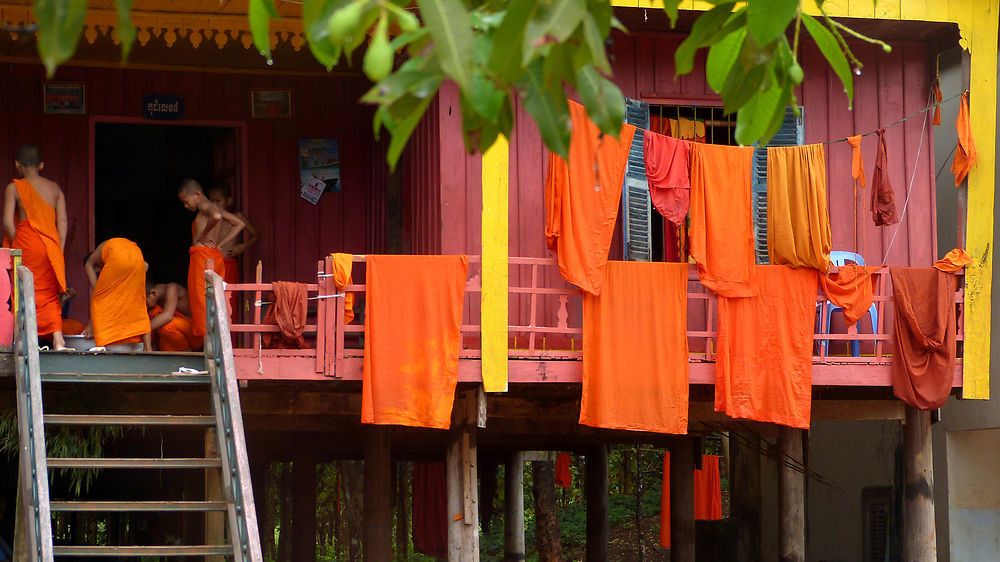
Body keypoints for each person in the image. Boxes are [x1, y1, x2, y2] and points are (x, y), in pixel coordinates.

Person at [3, 145, 68, 349]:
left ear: (17, 165)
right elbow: (63, 221)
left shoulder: (14, 187)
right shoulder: (55, 188)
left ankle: (21, 337)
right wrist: (58, 249)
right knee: (49, 293)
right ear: (41, 165)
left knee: (22, 289)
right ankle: (58, 339)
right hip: (49, 247)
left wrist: (19, 242)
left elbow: (6, 221)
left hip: (25, 245)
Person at [178, 179, 243, 336]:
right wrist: (220, 244)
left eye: (186, 202)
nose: (186, 206)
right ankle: (214, 338)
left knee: (203, 300)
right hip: (213, 255)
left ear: (197, 194)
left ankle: (210, 340)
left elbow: (215, 216)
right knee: (213, 298)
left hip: (203, 258)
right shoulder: (216, 207)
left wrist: (204, 234)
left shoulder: (204, 205)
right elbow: (239, 224)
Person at [84, 238, 152, 350]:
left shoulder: (89, 264)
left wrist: (91, 324)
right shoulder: (106, 247)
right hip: (137, 255)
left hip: (118, 257)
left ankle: (101, 345)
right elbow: (145, 266)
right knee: (137, 302)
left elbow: (95, 291)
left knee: (99, 300)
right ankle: (148, 348)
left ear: (97, 267)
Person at [147, 280, 201, 351]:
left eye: (146, 303)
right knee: (153, 313)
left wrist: (142, 330)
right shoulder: (155, 301)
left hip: (194, 335)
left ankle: (186, 352)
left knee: (168, 326)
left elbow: (168, 316)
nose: (146, 307)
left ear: (153, 293)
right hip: (173, 338)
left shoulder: (172, 288)